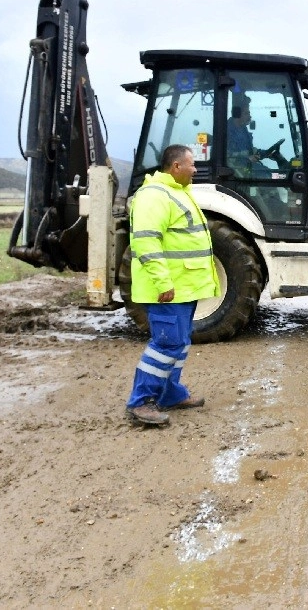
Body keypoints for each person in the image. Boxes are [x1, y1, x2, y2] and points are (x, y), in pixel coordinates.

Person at [125, 144, 220, 425]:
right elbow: (145, 241)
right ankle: (140, 402)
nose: (195, 169)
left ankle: (170, 393)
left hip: (183, 288)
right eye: (191, 165)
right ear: (176, 167)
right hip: (167, 289)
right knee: (166, 344)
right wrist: (162, 281)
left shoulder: (177, 192)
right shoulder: (154, 196)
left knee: (179, 342)